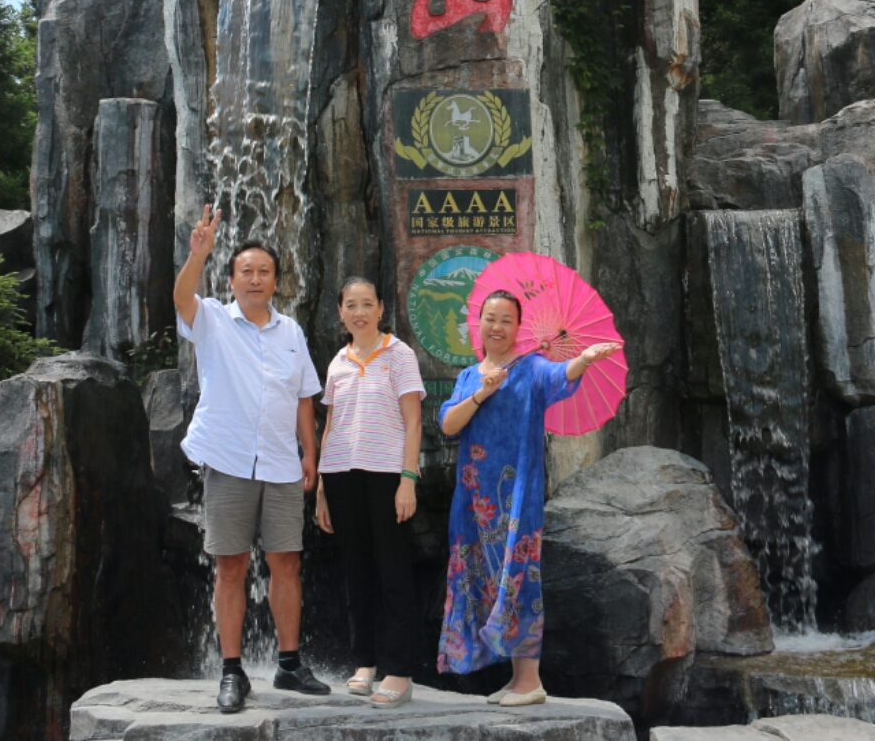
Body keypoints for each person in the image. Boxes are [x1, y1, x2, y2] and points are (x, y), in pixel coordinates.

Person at [173, 205, 330, 713]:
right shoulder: (213, 321)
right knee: (231, 566)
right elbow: (181, 298)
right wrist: (198, 254)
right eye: (246, 271)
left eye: (264, 271)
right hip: (229, 461)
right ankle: (231, 670)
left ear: (277, 281)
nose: (256, 278)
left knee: (287, 562)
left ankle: (289, 663)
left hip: (282, 464)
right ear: (232, 280)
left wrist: (311, 454)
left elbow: (304, 397)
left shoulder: (291, 332)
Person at [436, 290, 622, 706]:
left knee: (518, 575)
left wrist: (583, 359)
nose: (497, 326)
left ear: (518, 328)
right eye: (491, 318)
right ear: (479, 323)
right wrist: (482, 392)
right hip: (473, 498)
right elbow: (448, 423)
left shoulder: (532, 368)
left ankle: (531, 680)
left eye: (506, 320)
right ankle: (516, 678)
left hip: (516, 495)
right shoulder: (468, 376)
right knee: (482, 576)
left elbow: (560, 376)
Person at [313, 277, 425, 708]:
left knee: (393, 572)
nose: (358, 312)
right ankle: (364, 662)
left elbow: (413, 422)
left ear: (380, 309)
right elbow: (331, 426)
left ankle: (400, 671)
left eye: (366, 304)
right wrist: (322, 489)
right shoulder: (338, 362)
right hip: (341, 474)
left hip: (386, 474)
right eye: (350, 305)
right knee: (356, 572)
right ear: (340, 312)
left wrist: (407, 480)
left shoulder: (400, 355)